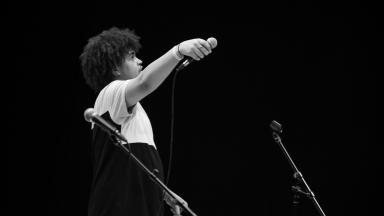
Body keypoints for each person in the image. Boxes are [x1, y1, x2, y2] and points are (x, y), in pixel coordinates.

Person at [80, 27, 216, 216]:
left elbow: (133, 164)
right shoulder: (110, 93)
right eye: (132, 56)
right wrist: (178, 51)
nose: (140, 61)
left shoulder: (133, 110)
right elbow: (144, 82)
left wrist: (162, 192)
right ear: (115, 68)